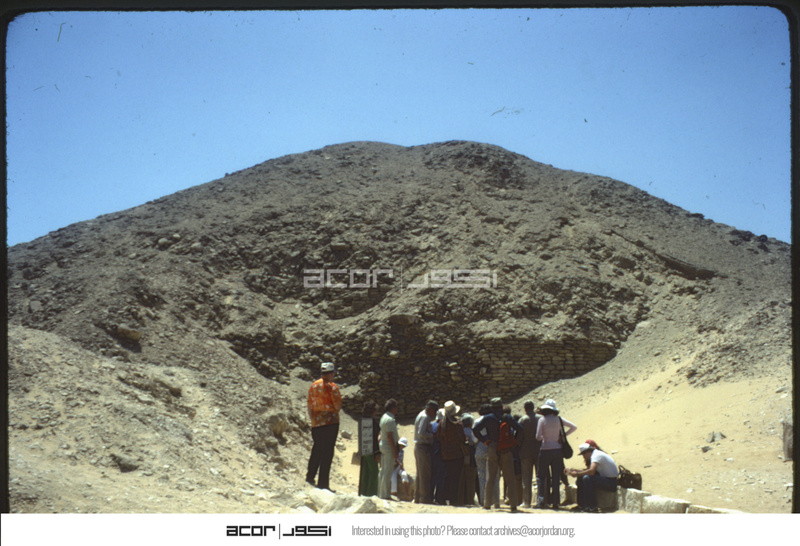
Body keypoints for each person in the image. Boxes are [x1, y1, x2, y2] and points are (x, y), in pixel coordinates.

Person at [473, 397, 524, 512]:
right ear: (501, 406)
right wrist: (514, 442)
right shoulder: (507, 417)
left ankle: (487, 504)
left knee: (490, 477)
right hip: (506, 448)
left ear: (491, 407)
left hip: (492, 447)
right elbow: (520, 429)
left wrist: (484, 440)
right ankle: (513, 505)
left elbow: (475, 429)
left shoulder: (488, 418)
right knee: (510, 477)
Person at [306, 362, 342, 491]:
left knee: (316, 449)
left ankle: (310, 477)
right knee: (327, 453)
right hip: (330, 423)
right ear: (331, 374)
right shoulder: (333, 387)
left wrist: (313, 419)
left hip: (316, 423)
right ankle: (323, 484)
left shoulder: (313, 386)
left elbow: (309, 405)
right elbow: (337, 407)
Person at [535, 399, 576, 509]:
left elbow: (538, 437)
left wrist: (544, 438)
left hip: (545, 449)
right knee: (556, 476)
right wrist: (562, 436)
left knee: (541, 476)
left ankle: (541, 501)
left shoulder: (542, 420)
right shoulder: (559, 419)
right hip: (558, 450)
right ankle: (556, 502)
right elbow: (574, 427)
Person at [567, 443, 619, 512]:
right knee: (581, 478)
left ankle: (592, 507)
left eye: (584, 454)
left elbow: (591, 472)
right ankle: (582, 505)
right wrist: (573, 471)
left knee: (587, 478)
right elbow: (587, 471)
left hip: (611, 482)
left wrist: (577, 474)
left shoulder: (596, 456)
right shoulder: (595, 454)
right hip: (606, 480)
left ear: (588, 452)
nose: (583, 457)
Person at [437, 400, 467, 506]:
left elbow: (438, 437)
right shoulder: (458, 424)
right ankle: (453, 499)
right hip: (457, 454)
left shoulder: (442, 424)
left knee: (447, 477)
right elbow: (462, 438)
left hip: (445, 454)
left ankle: (443, 498)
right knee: (455, 478)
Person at [473, 404, 499, 508]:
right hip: (493, 446)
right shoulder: (494, 419)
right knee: (495, 475)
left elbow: (474, 438)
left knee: (482, 475)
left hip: (481, 446)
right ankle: (496, 501)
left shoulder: (477, 421)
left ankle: (484, 501)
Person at [413, 400, 438, 504]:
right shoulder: (425, 417)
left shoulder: (421, 415)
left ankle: (417, 497)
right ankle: (425, 498)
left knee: (420, 473)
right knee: (425, 474)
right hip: (423, 447)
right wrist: (433, 435)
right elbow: (421, 433)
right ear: (430, 410)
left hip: (419, 447)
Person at [518, 400, 541, 508]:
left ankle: (526, 501)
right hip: (539, 449)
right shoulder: (540, 418)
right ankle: (541, 500)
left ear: (525, 408)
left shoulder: (522, 420)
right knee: (540, 476)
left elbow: (519, 436)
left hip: (525, 450)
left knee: (526, 477)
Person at [378, 399, 400, 500]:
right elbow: (390, 436)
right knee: (388, 471)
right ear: (392, 408)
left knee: (383, 470)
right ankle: (385, 494)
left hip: (383, 445)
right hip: (388, 447)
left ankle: (381, 493)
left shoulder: (383, 417)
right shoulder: (390, 420)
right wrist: (395, 451)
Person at [358, 400, 380, 496]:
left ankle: (363, 493)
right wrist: (377, 452)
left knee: (365, 472)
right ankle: (371, 494)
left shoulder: (362, 420)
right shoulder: (372, 422)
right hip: (371, 451)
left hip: (363, 450)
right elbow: (374, 438)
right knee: (374, 472)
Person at [458, 413, 479, 506]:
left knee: (462, 480)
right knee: (471, 480)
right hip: (470, 458)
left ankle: (461, 500)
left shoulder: (460, 431)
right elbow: (475, 442)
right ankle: (470, 500)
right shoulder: (471, 432)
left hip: (460, 458)